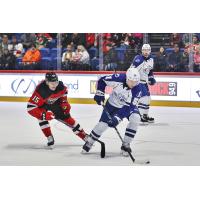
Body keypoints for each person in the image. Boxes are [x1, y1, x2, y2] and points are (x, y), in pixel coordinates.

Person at [82, 68, 142, 156]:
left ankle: (126, 144)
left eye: (135, 82)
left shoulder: (138, 89)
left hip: (127, 107)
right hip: (112, 105)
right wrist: (100, 92)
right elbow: (102, 80)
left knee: (135, 118)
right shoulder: (118, 78)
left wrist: (117, 118)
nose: (133, 84)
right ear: (127, 78)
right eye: (131, 81)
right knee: (102, 125)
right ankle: (90, 141)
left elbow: (129, 107)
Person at [27, 72, 88, 147]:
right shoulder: (40, 91)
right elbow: (30, 107)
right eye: (52, 83)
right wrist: (43, 115)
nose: (54, 85)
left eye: (56, 82)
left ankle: (84, 136)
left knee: (67, 118)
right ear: (47, 82)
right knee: (41, 118)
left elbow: (64, 92)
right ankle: (49, 137)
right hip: (43, 105)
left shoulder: (60, 86)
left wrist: (64, 102)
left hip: (55, 104)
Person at [130, 44, 156, 123]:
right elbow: (131, 70)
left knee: (148, 99)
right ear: (142, 51)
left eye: (147, 50)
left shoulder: (151, 59)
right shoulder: (138, 59)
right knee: (144, 99)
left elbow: (150, 71)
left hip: (144, 82)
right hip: (138, 82)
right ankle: (140, 116)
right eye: (144, 50)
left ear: (150, 51)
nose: (146, 52)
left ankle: (145, 115)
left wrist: (151, 78)